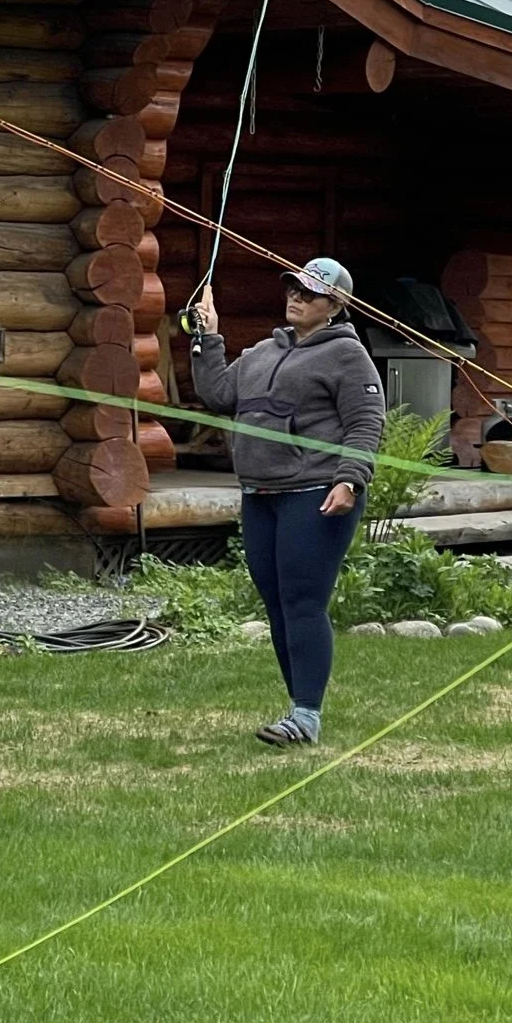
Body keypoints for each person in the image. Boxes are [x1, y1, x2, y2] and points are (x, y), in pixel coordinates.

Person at [191, 258, 385, 748]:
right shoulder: (259, 353)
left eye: (310, 293)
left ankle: (306, 717)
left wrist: (350, 481)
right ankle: (297, 710)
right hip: (261, 495)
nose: (297, 297)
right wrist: (207, 338)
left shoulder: (348, 356)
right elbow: (217, 394)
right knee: (278, 605)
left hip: (316, 493)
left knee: (302, 603)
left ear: (336, 307)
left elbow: (365, 423)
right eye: (293, 288)